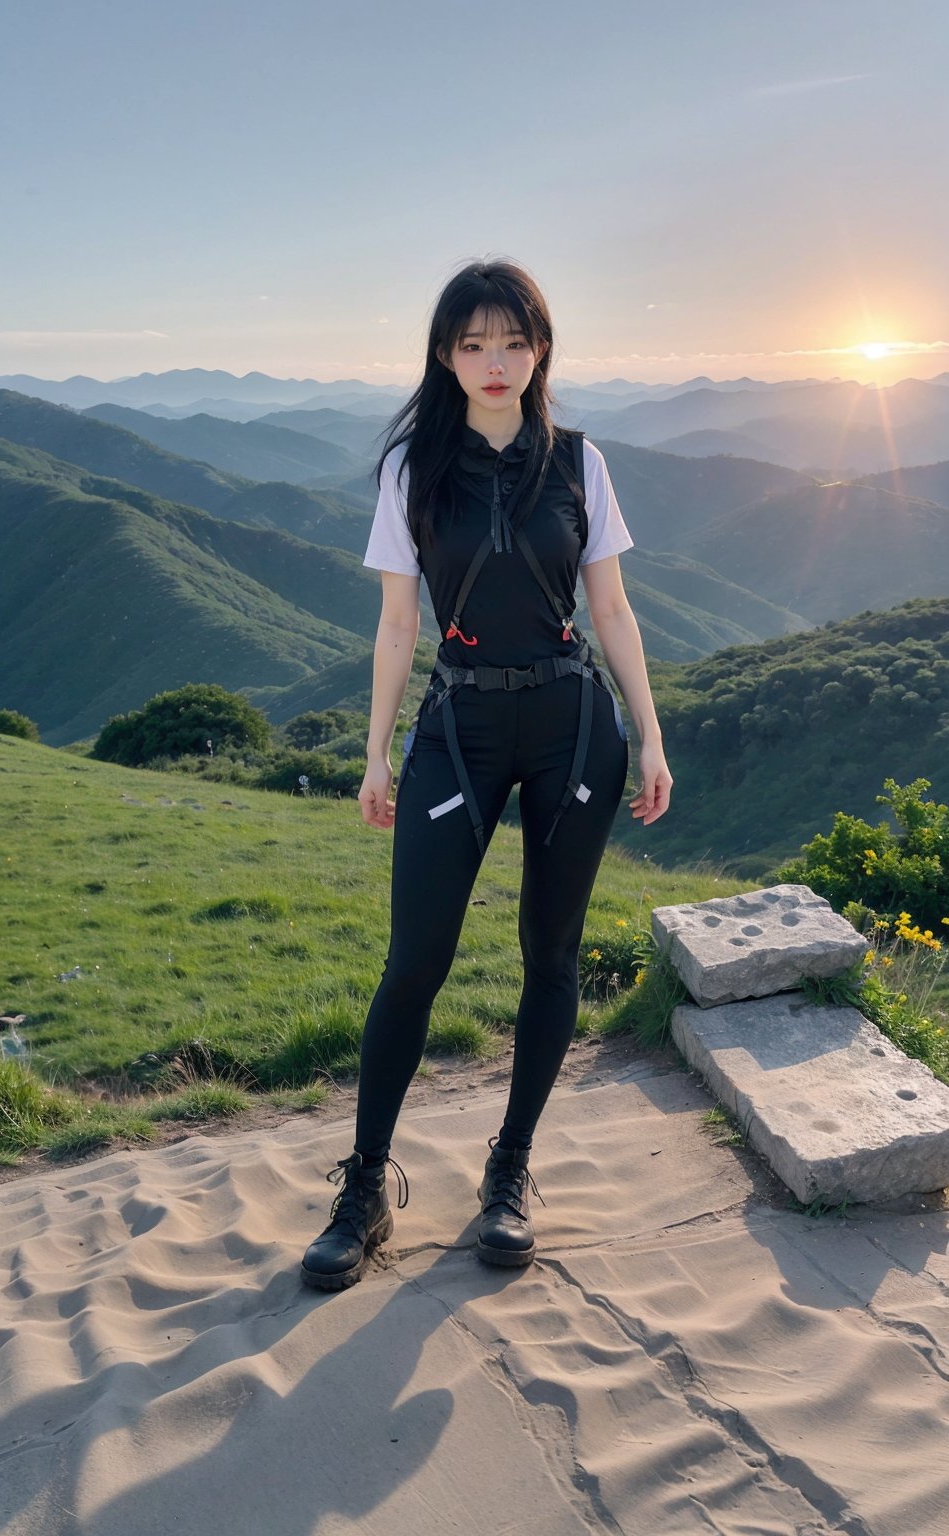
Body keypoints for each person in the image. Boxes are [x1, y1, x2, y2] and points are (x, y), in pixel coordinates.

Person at [300, 257, 672, 1290]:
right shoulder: (412, 467)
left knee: (549, 955)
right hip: (458, 726)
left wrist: (649, 733)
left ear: (540, 347)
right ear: (444, 354)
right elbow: (392, 626)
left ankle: (507, 1174)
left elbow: (611, 609)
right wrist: (374, 753)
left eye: (513, 341)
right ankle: (365, 1189)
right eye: (472, 344)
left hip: (571, 722)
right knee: (413, 960)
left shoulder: (579, 461)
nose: (494, 362)